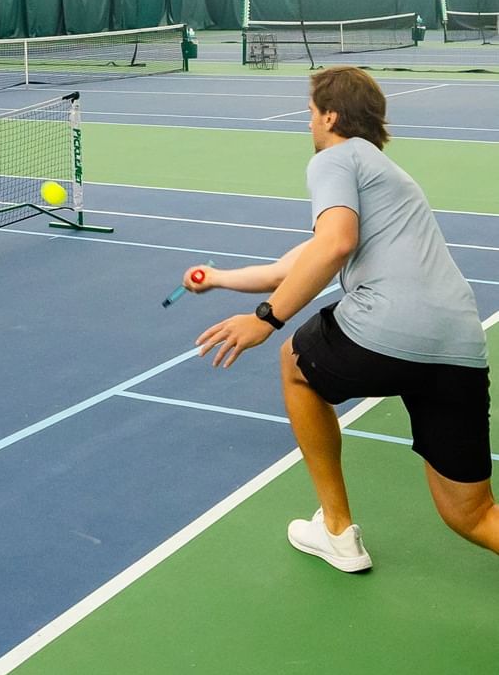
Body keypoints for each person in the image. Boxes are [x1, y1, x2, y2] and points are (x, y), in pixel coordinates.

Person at [184, 65, 495, 572]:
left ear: (331, 116)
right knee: (473, 515)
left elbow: (335, 244)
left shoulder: (336, 157)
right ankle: (336, 531)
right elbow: (300, 263)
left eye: (310, 113)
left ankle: (336, 531)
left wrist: (266, 320)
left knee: (293, 362)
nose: (308, 123)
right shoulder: (384, 177)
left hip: (390, 325)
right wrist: (218, 277)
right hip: (460, 345)